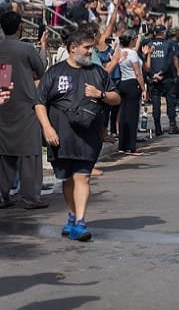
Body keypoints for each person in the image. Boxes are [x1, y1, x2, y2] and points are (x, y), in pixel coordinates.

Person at [34, 29, 121, 240]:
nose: (91, 51)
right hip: (60, 137)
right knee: (67, 180)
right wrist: (47, 128)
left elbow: (116, 98)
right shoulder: (55, 72)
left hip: (88, 137)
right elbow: (39, 102)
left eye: (92, 47)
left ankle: (81, 222)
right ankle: (72, 216)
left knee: (83, 177)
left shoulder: (98, 73)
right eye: (87, 47)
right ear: (73, 48)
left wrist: (99, 94)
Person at [0, 12, 48, 209]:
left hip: (4, 104)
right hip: (26, 106)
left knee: (4, 155)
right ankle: (30, 198)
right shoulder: (26, 48)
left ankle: (2, 197)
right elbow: (42, 68)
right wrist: (43, 46)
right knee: (30, 154)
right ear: (20, 27)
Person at [142, 25, 179, 135]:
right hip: (167, 77)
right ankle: (172, 126)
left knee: (156, 103)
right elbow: (171, 61)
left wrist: (152, 74)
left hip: (153, 79)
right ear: (163, 32)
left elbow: (145, 62)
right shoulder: (169, 44)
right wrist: (168, 72)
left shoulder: (149, 44)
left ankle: (158, 128)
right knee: (170, 101)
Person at [116, 33, 146, 155]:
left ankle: (122, 145)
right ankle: (131, 146)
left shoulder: (119, 52)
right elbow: (138, 72)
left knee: (123, 115)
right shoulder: (132, 54)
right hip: (133, 84)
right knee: (133, 116)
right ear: (130, 41)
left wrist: (139, 37)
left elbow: (134, 47)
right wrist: (143, 89)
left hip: (122, 83)